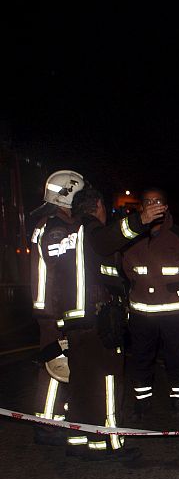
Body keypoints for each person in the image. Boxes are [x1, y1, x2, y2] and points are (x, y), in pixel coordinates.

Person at [63, 187, 166, 461]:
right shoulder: (92, 229)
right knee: (109, 379)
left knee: (81, 382)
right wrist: (139, 220)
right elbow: (107, 240)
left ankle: (78, 439)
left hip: (75, 320)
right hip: (99, 319)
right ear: (97, 205)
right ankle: (111, 442)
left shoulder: (67, 233)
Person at [122, 188, 179, 422]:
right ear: (141, 208)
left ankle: (178, 403)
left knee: (177, 358)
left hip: (175, 313)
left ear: (166, 207)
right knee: (140, 359)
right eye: (147, 202)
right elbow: (126, 270)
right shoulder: (132, 239)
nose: (152, 205)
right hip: (141, 313)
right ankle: (141, 404)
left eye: (158, 201)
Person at [28, 170, 84, 445]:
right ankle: (47, 423)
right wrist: (61, 313)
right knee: (55, 367)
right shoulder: (57, 228)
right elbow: (63, 272)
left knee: (58, 365)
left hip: (51, 309)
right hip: (55, 311)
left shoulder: (49, 223)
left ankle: (51, 419)